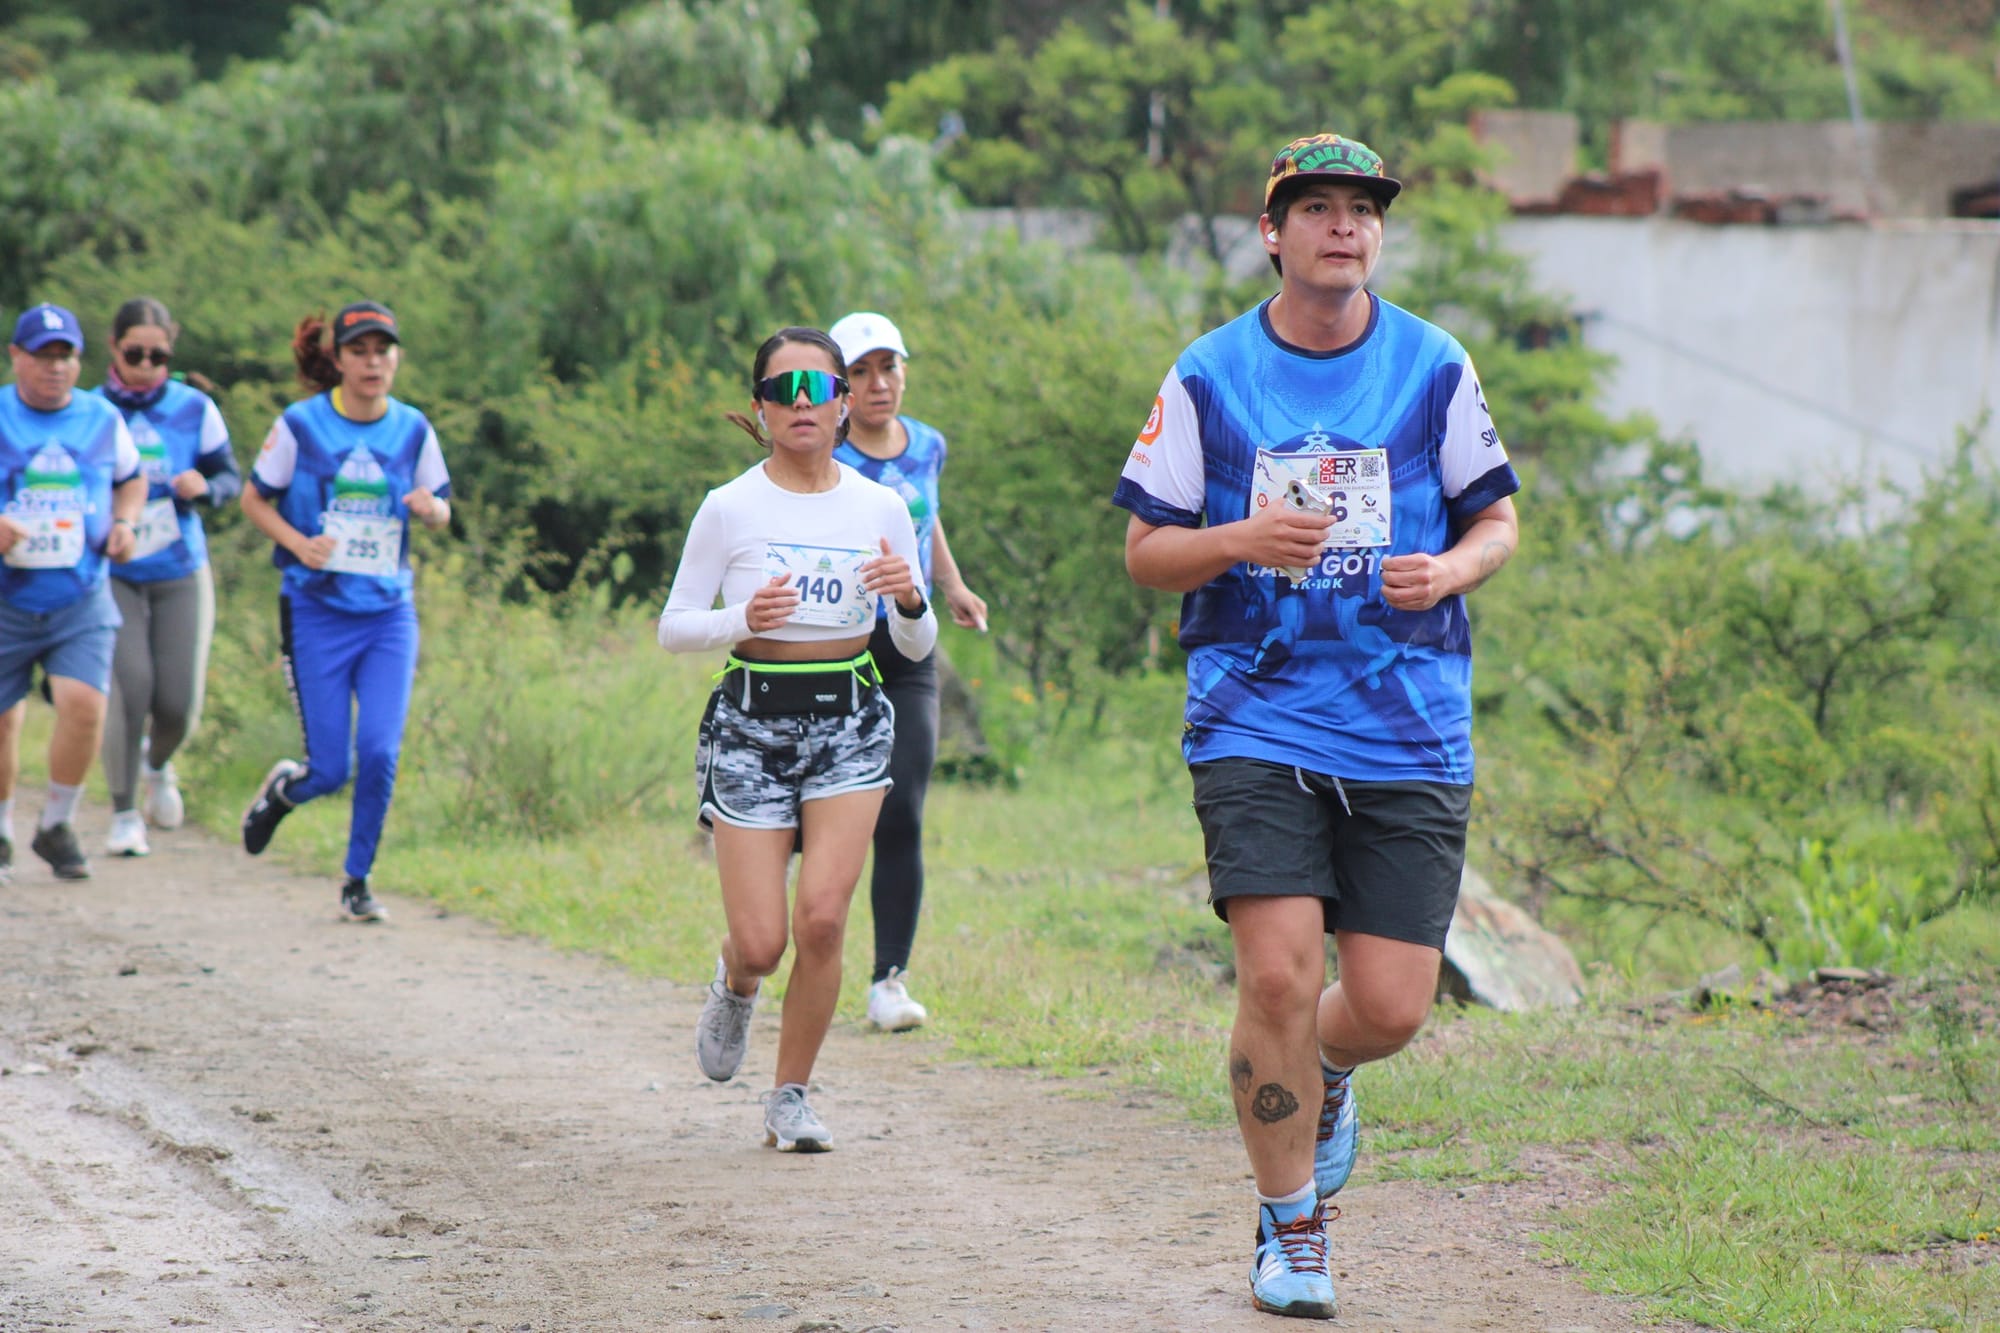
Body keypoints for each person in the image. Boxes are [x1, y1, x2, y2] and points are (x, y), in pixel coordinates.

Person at [1113, 133, 1522, 1320]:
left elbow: (1497, 521)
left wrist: (1447, 571)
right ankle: (1290, 1230)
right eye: (1318, 208)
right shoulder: (1209, 373)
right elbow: (1145, 553)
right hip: (1254, 715)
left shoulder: (1432, 365)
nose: (1343, 226)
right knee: (1278, 979)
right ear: (1273, 233)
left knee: (1390, 1005)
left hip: (1408, 726)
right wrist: (1240, 541)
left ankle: (1329, 1073)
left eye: (1361, 209)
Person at [658, 325, 936, 1152]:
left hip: (849, 720)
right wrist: (744, 618)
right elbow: (674, 627)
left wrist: (911, 602)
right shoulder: (730, 505)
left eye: (821, 388)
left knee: (821, 920)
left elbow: (915, 647)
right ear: (762, 407)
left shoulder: (882, 506)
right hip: (751, 723)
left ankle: (790, 1095)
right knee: (763, 939)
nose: (804, 404)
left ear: (846, 403)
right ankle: (737, 981)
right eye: (786, 390)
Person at [237, 301, 451, 923]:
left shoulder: (412, 428)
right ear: (338, 358)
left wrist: (428, 509)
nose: (372, 362)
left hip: (388, 613)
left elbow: (441, 507)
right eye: (359, 350)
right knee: (331, 769)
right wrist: (297, 542)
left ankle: (357, 878)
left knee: (381, 752)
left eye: (382, 350)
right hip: (316, 610)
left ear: (396, 358)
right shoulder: (302, 425)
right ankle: (286, 789)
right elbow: (255, 499)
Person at [827, 311, 988, 1032]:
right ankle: (773, 942)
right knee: (817, 815)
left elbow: (928, 521)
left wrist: (951, 585)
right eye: (859, 373)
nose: (877, 384)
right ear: (839, 387)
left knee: (902, 807)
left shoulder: (927, 444)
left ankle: (888, 979)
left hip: (909, 649)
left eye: (887, 367)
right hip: (834, 650)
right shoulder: (824, 454)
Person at [0, 302, 145, 883]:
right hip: (7, 597)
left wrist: (127, 523)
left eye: (66, 357)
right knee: (4, 721)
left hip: (80, 593)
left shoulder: (102, 418)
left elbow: (131, 478)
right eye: (43, 356)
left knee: (85, 705)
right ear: (17, 358)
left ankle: (56, 824)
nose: (55, 368)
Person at [96, 297, 241, 858]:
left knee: (179, 702)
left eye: (159, 356)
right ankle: (124, 811)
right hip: (114, 568)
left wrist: (206, 489)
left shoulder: (194, 407)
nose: (147, 365)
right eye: (135, 353)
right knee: (132, 686)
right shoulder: (90, 411)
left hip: (180, 564)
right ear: (113, 348)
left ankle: (159, 765)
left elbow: (230, 475)